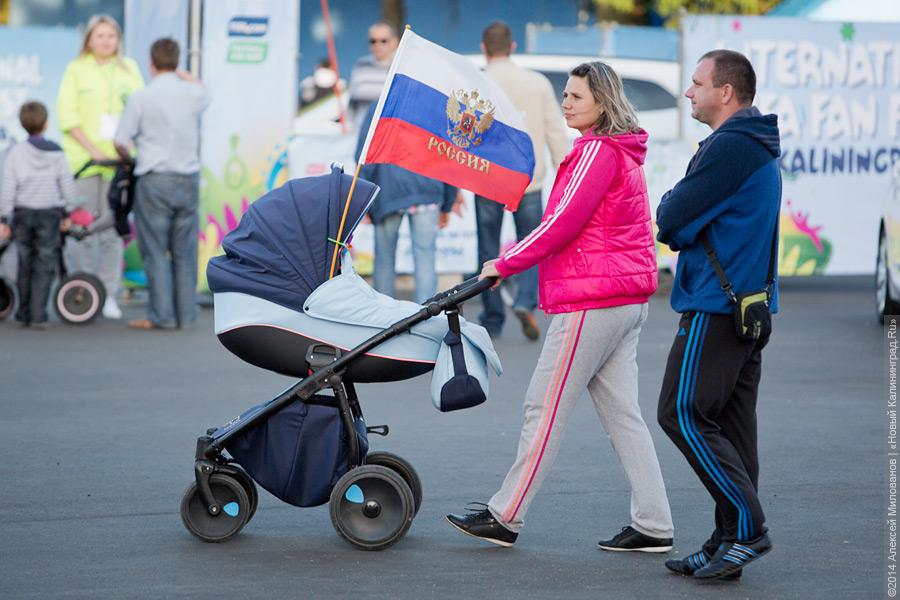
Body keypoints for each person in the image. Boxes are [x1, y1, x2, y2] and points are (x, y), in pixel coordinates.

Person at [446, 62, 673, 551]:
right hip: (623, 298)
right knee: (623, 416)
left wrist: (503, 264)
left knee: (543, 408)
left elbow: (562, 224)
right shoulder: (621, 152)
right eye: (565, 95)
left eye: (575, 96)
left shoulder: (596, 152)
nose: (566, 103)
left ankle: (506, 515)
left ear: (602, 103)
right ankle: (655, 524)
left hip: (593, 300)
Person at [655, 49, 781, 581]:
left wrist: (674, 213)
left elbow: (672, 217)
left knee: (680, 413)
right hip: (747, 308)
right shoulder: (756, 144)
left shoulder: (729, 147)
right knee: (731, 429)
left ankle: (747, 529)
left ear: (725, 92)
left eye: (697, 83)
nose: (689, 91)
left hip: (716, 306)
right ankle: (727, 539)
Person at [475, 21, 569, 341]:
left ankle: (491, 317)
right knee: (531, 244)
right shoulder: (537, 82)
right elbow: (555, 129)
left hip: (487, 177)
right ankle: (526, 301)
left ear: (484, 48)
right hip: (529, 177)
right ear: (513, 47)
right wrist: (564, 168)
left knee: (487, 247)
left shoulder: (478, 82)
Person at [113, 38, 210, 330]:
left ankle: (161, 316)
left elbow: (119, 140)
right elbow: (204, 89)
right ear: (177, 62)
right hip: (187, 179)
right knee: (185, 250)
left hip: (154, 179)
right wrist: (183, 75)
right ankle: (186, 315)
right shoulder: (194, 94)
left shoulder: (141, 97)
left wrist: (129, 157)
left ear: (150, 63)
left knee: (155, 250)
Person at [57, 14, 144, 319]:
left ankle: (107, 294)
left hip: (119, 166)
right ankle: (82, 290)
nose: (106, 41)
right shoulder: (76, 70)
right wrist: (93, 150)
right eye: (100, 36)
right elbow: (68, 118)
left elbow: (139, 110)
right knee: (82, 228)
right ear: (89, 40)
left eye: (111, 36)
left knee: (111, 231)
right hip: (85, 163)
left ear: (118, 40)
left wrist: (125, 149)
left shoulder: (129, 69)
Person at [355, 102, 457, 303]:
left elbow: (365, 153)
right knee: (426, 258)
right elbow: (449, 155)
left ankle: (384, 317)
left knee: (384, 258)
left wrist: (362, 199)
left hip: (388, 191)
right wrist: (448, 201)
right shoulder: (434, 105)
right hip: (427, 190)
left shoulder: (383, 104)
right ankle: (427, 316)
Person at [0, 102, 75, 329]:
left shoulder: (15, 153)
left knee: (25, 262)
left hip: (23, 213)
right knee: (45, 263)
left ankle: (23, 314)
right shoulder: (57, 153)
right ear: (46, 124)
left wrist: (3, 218)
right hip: (49, 214)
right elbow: (66, 184)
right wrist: (68, 211)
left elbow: (8, 187)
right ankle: (39, 314)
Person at [347, 21, 399, 130]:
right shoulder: (361, 65)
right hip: (361, 135)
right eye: (373, 41)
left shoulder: (400, 67)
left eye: (383, 41)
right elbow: (352, 105)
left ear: (395, 42)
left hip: (388, 134)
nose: (377, 45)